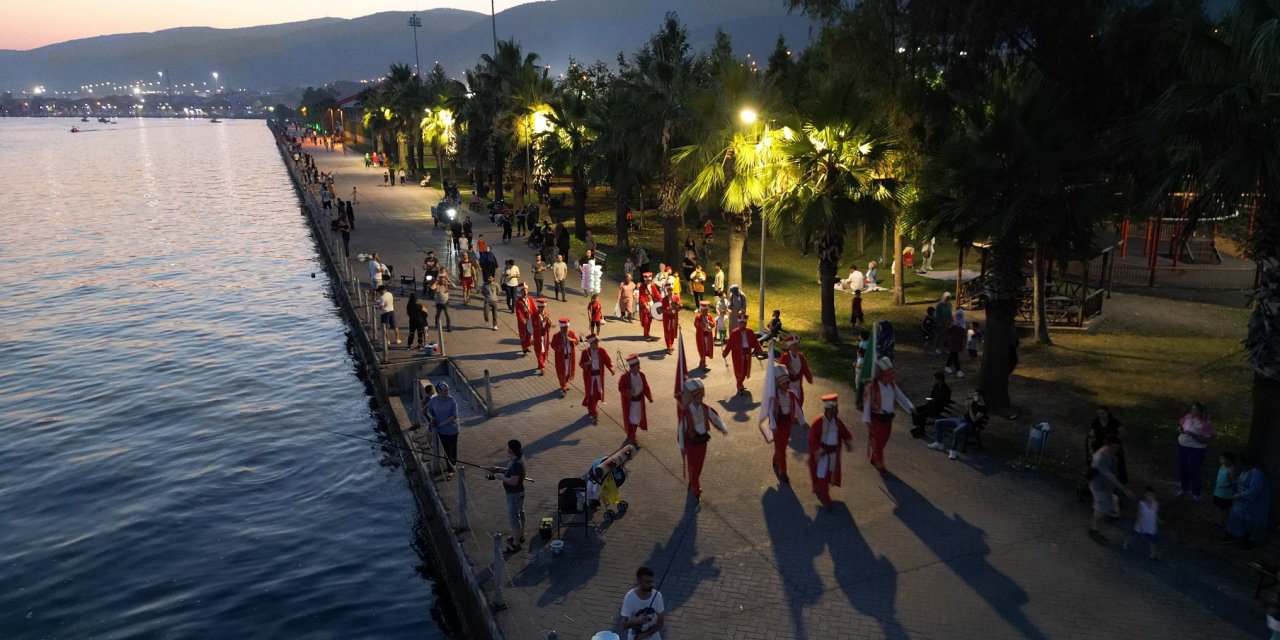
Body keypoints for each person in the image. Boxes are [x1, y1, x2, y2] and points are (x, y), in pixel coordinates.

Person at [677, 379, 727, 503]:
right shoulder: (686, 412)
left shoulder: (705, 408)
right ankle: (695, 488)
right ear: (692, 397)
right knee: (694, 466)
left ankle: (692, 482)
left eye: (701, 396)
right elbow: (681, 430)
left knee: (699, 466)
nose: (700, 399)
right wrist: (682, 446)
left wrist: (722, 427)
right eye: (697, 397)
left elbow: (714, 418)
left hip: (703, 442)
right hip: (691, 443)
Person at [862, 357, 914, 471]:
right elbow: (867, 404)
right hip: (877, 419)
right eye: (887, 375)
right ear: (882, 375)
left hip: (888, 419)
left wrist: (910, 407)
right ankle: (878, 462)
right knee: (879, 442)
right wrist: (866, 419)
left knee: (884, 440)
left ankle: (874, 457)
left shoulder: (892, 385)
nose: (890, 377)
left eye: (890, 375)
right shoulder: (872, 387)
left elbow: (901, 397)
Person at [808, 394, 853, 508]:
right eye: (835, 409)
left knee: (828, 475)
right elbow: (812, 437)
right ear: (829, 409)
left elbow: (844, 432)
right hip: (823, 454)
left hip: (833, 455)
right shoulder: (818, 422)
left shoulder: (837, 422)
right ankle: (826, 499)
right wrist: (818, 450)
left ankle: (821, 489)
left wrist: (848, 442)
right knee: (822, 475)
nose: (837, 411)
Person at [1088, 435, 1134, 543]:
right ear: (1107, 445)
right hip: (1098, 485)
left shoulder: (1112, 454)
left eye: (1117, 448)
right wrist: (1124, 489)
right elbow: (1109, 475)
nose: (1116, 450)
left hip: (1106, 485)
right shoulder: (1100, 457)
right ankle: (1094, 529)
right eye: (1114, 447)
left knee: (1105, 507)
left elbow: (1114, 470)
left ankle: (1099, 517)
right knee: (1102, 509)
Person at [769, 368, 807, 483]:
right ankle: (783, 472)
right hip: (778, 424)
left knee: (782, 445)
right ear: (779, 385)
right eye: (784, 384)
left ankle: (776, 459)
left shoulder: (791, 394)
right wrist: (773, 426)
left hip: (788, 424)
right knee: (782, 448)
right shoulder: (774, 396)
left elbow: (798, 409)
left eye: (787, 383)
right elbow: (770, 412)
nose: (787, 386)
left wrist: (803, 422)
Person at [927, 389, 988, 460]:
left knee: (956, 431)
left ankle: (953, 451)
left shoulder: (984, 408)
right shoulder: (974, 402)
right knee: (938, 422)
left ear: (981, 397)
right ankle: (939, 443)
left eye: (976, 395)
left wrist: (970, 407)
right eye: (974, 395)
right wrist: (967, 403)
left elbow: (974, 420)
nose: (974, 396)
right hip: (961, 420)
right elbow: (967, 411)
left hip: (969, 424)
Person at [1226, 454, 1271, 548]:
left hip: (1253, 502)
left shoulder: (1256, 472)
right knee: (1236, 518)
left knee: (1252, 522)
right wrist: (1231, 484)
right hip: (1242, 501)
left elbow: (1255, 489)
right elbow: (1240, 481)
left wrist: (1240, 495)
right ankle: (1235, 537)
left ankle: (1251, 542)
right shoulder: (1246, 470)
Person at [1176, 401, 1212, 500]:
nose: (1193, 411)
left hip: (1196, 450)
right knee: (1183, 468)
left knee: (1193, 470)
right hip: (1182, 446)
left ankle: (1196, 492)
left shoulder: (1205, 423)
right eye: (1192, 409)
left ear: (1201, 412)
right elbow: (1180, 425)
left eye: (1195, 409)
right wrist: (1180, 429)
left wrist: (1194, 435)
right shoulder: (1188, 416)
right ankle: (1184, 488)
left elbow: (1206, 440)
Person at [619, 566, 665, 640]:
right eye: (647, 582)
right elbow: (623, 625)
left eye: (652, 581)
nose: (651, 585)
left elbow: (660, 623)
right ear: (639, 582)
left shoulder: (657, 596)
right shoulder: (630, 597)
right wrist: (636, 620)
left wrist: (644, 635)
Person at [723, 314, 764, 393]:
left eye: (744, 324)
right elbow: (730, 344)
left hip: (747, 355)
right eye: (741, 323)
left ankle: (741, 382)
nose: (742, 325)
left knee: (745, 370)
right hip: (738, 355)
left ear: (746, 324)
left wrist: (759, 349)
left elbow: (755, 341)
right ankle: (739, 384)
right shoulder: (734, 333)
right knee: (739, 370)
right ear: (739, 324)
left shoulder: (750, 331)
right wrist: (725, 353)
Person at [427, 382, 460, 479]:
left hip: (453, 429)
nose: (447, 392)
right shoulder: (434, 400)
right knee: (446, 450)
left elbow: (454, 416)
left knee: (453, 448)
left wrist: (442, 424)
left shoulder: (452, 400)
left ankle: (453, 464)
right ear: (439, 391)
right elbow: (429, 411)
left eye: (447, 390)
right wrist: (431, 417)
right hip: (442, 432)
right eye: (445, 391)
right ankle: (450, 470)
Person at [498, 439, 526, 553]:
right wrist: (501, 470)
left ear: (511, 449)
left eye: (508, 446)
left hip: (514, 494)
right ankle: (520, 535)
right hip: (519, 493)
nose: (507, 448)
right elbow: (513, 472)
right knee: (520, 513)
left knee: (514, 517)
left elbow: (513, 481)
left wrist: (501, 477)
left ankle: (516, 543)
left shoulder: (516, 464)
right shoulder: (518, 460)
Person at [578, 335, 614, 424]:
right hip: (590, 377)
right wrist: (587, 363)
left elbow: (607, 360)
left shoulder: (601, 351)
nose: (597, 344)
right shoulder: (585, 353)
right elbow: (581, 364)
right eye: (595, 343)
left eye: (597, 343)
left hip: (599, 376)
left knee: (597, 392)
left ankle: (592, 407)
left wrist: (611, 368)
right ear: (590, 344)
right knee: (591, 392)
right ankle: (594, 411)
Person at [618, 354, 654, 443]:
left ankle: (632, 435)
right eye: (637, 366)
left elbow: (645, 386)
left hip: (639, 402)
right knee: (633, 418)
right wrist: (628, 392)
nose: (639, 368)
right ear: (632, 367)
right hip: (631, 403)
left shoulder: (641, 375)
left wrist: (649, 396)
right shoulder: (625, 377)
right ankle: (631, 436)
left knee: (637, 418)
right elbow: (620, 388)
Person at [1123, 486, 1161, 560]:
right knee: (1134, 535)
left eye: (1152, 496)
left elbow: (1155, 513)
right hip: (1141, 524)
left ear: (1154, 496)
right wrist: (1140, 524)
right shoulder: (1141, 504)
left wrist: (1158, 520)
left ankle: (1153, 554)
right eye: (1148, 495)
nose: (1150, 497)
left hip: (1151, 525)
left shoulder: (1156, 503)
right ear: (1145, 495)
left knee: (1152, 540)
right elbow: (1139, 514)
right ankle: (1126, 543)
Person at [777, 336, 814, 407]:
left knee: (799, 400)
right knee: (788, 402)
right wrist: (788, 371)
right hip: (788, 384)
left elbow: (805, 369)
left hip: (797, 383)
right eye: (794, 346)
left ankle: (796, 415)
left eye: (797, 345)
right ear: (790, 347)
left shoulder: (801, 357)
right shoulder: (785, 356)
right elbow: (781, 370)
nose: (796, 348)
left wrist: (809, 378)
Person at [549, 318, 579, 396]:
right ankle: (563, 387)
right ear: (561, 328)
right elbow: (553, 345)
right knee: (562, 372)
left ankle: (565, 384)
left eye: (566, 328)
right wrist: (561, 346)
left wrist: (572, 340)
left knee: (568, 372)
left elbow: (577, 341)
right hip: (561, 359)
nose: (565, 330)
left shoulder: (571, 333)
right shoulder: (556, 336)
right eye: (563, 328)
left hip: (570, 357)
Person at [1212, 452, 1237, 529]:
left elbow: (1234, 482)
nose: (1221, 460)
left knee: (1223, 510)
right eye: (1221, 458)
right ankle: (1217, 522)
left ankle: (1222, 524)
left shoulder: (1231, 470)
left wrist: (1227, 485)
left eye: (1223, 459)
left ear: (1230, 461)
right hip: (1218, 492)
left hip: (1225, 494)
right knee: (1217, 507)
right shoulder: (1222, 467)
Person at [514, 284, 538, 354]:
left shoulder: (530, 299)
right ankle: (524, 347)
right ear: (521, 292)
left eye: (526, 290)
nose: (525, 292)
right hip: (523, 319)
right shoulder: (518, 301)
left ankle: (527, 346)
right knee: (523, 334)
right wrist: (522, 319)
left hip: (530, 317)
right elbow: (518, 312)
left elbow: (534, 308)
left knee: (529, 332)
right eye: (523, 291)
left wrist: (535, 316)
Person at [531, 298, 552, 374]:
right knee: (540, 351)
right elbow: (535, 326)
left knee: (544, 350)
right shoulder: (534, 316)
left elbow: (549, 326)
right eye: (541, 307)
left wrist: (549, 322)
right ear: (538, 307)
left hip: (545, 335)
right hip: (538, 336)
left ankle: (541, 364)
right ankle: (541, 366)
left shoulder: (546, 314)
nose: (542, 309)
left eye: (543, 307)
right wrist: (543, 321)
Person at [943, 311, 967, 378]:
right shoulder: (951, 321)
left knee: (953, 354)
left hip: (957, 341)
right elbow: (946, 331)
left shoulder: (962, 322)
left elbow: (963, 331)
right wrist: (951, 327)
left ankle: (947, 366)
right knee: (954, 354)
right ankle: (958, 370)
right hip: (951, 340)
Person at [637, 273, 660, 340]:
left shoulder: (652, 285)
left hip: (651, 304)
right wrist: (645, 305)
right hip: (645, 305)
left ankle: (646, 333)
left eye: (649, 281)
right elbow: (641, 297)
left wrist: (662, 300)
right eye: (647, 281)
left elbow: (657, 294)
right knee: (646, 320)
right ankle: (646, 334)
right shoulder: (642, 286)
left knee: (649, 320)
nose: (648, 282)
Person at [693, 301, 715, 370]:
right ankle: (703, 363)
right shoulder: (698, 316)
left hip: (708, 336)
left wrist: (709, 322)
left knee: (707, 349)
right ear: (701, 310)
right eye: (704, 310)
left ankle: (702, 363)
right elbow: (696, 324)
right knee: (702, 349)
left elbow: (713, 324)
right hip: (701, 336)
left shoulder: (709, 316)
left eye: (707, 310)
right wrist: (702, 323)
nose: (706, 311)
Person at [661, 286, 681, 353]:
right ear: (667, 291)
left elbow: (680, 305)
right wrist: (669, 310)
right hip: (667, 318)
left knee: (673, 331)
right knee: (668, 331)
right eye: (669, 290)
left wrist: (678, 307)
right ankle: (668, 346)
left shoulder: (676, 297)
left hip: (674, 317)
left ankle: (671, 344)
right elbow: (664, 309)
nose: (671, 291)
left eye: (672, 290)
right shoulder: (664, 299)